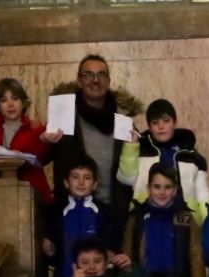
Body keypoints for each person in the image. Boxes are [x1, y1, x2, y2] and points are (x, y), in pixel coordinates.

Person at [50, 54, 141, 224]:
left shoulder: (123, 119)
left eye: (101, 75)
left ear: (108, 80)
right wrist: (42, 139)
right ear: (79, 81)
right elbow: (43, 155)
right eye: (88, 75)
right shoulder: (64, 116)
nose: (95, 80)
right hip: (73, 212)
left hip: (115, 214)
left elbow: (133, 167)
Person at [0, 78, 56, 207]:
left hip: (30, 196)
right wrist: (9, 154)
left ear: (23, 102)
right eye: (3, 100)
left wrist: (42, 140)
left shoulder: (35, 129)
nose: (10, 104)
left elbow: (40, 159)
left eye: (15, 98)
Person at [120, 166, 204, 277]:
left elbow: (196, 252)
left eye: (168, 187)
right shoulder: (137, 217)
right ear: (149, 189)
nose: (162, 192)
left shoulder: (185, 217)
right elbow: (127, 252)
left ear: (175, 190)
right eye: (157, 187)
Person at [129, 98, 209, 223]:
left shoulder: (191, 156)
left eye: (166, 121)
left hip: (186, 219)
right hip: (146, 216)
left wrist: (208, 223)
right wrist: (131, 147)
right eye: (155, 123)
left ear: (174, 122)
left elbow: (203, 194)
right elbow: (126, 178)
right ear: (149, 127)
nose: (161, 126)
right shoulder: (140, 152)